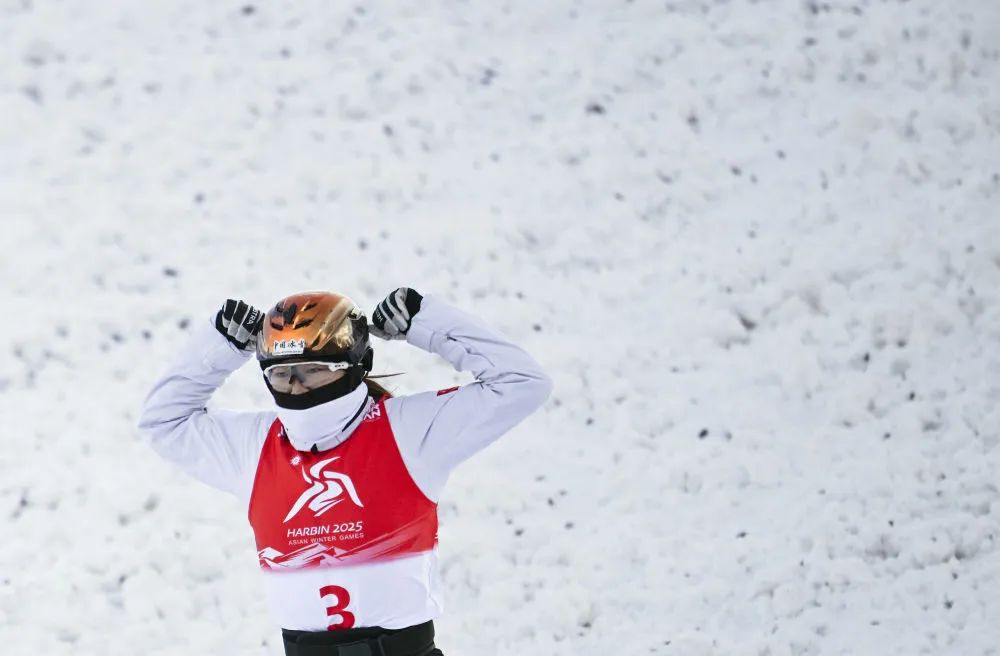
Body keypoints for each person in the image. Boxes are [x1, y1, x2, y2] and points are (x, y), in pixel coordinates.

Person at [138, 287, 552, 656]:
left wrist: (427, 323)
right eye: (282, 374)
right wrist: (221, 346)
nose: (297, 386)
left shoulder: (409, 429)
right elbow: (163, 422)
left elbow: (522, 382)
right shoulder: (254, 446)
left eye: (314, 370)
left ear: (358, 364)